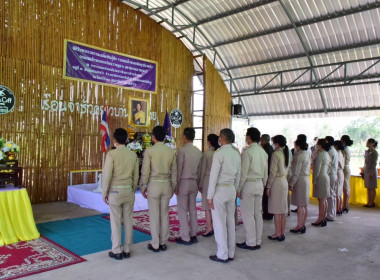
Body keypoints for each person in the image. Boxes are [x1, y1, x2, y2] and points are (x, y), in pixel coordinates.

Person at [102, 128, 139, 260]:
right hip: (128, 190)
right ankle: (128, 249)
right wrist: (132, 188)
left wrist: (104, 192)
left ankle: (117, 250)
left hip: (115, 192)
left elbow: (107, 176)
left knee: (116, 221)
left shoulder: (111, 155)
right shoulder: (133, 155)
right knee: (128, 220)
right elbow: (136, 176)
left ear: (115, 140)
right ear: (127, 140)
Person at [140, 126, 177, 252]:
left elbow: (145, 171)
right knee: (165, 214)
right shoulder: (171, 151)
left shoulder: (149, 151)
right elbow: (174, 172)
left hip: (154, 185)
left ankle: (155, 243)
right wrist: (174, 187)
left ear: (153, 137)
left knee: (154, 215)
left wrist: (143, 186)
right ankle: (163, 242)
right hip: (166, 184)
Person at [207, 128, 241, 263]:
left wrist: (209, 196)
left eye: (220, 137)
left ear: (222, 138)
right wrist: (236, 189)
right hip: (231, 189)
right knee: (230, 222)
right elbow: (239, 175)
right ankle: (231, 252)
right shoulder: (236, 153)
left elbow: (213, 176)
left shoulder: (219, 153)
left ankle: (222, 253)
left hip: (220, 190)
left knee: (220, 223)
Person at [236, 127, 268, 250]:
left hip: (249, 184)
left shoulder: (247, 152)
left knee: (248, 214)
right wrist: (263, 184)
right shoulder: (263, 152)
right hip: (259, 184)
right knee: (258, 214)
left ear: (248, 138)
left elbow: (243, 173)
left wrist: (238, 188)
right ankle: (257, 240)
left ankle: (251, 241)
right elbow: (265, 173)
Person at [175, 127, 203, 245]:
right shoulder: (198, 151)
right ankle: (194, 234)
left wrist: (175, 185)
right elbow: (200, 170)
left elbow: (179, 169)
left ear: (185, 137)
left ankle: (185, 237)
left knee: (182, 209)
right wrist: (199, 183)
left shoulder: (182, 151)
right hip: (194, 182)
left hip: (184, 182)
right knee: (193, 208)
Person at [266, 135, 291, 241]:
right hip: (284, 181)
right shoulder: (287, 152)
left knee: (277, 210)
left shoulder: (276, 154)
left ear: (276, 143)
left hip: (277, 182)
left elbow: (272, 172)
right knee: (283, 210)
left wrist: (268, 186)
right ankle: (282, 232)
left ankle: (277, 233)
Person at [198, 134, 220, 237]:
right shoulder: (219, 152)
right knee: (215, 204)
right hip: (218, 181)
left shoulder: (207, 154)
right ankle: (216, 226)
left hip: (207, 179)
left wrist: (200, 183)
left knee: (207, 205)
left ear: (209, 142)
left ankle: (209, 227)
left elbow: (202, 171)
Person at [288, 139, 310, 234]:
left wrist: (291, 183)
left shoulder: (300, 155)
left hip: (300, 180)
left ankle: (299, 226)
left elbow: (296, 172)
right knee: (304, 205)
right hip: (305, 179)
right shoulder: (306, 153)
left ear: (298, 146)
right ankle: (302, 224)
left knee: (300, 205)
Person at [312, 139, 331, 227]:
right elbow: (329, 166)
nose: (316, 146)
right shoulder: (326, 154)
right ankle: (323, 217)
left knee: (321, 200)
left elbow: (317, 169)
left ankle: (320, 218)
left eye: (317, 144)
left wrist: (314, 180)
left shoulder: (321, 154)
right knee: (324, 199)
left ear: (320, 145)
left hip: (320, 177)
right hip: (325, 176)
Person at [260, 134, 274, 220]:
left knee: (265, 197)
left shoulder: (265, 150)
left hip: (266, 174)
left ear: (263, 141)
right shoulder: (271, 149)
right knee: (268, 196)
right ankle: (268, 213)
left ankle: (267, 214)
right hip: (269, 174)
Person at [325, 136, 338, 221]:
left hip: (330, 174)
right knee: (331, 195)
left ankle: (330, 214)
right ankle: (331, 213)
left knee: (330, 195)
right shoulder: (333, 150)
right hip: (333, 174)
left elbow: (328, 165)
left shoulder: (330, 151)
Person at [363, 138, 378, 207]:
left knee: (372, 187)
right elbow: (365, 162)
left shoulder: (375, 152)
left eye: (368, 142)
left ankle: (372, 202)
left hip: (372, 170)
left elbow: (374, 163)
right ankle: (369, 201)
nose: (367, 144)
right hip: (366, 170)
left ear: (373, 143)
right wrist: (363, 170)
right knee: (368, 187)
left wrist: (371, 172)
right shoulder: (367, 151)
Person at [341, 135, 353, 213]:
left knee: (345, 188)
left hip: (344, 168)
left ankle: (345, 206)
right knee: (346, 187)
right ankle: (345, 205)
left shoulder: (344, 149)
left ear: (344, 141)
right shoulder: (347, 148)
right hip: (347, 168)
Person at [333, 140, 345, 216]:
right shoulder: (341, 153)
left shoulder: (337, 153)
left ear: (336, 146)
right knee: (339, 193)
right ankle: (339, 208)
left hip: (338, 172)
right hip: (340, 173)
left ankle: (337, 209)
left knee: (337, 193)